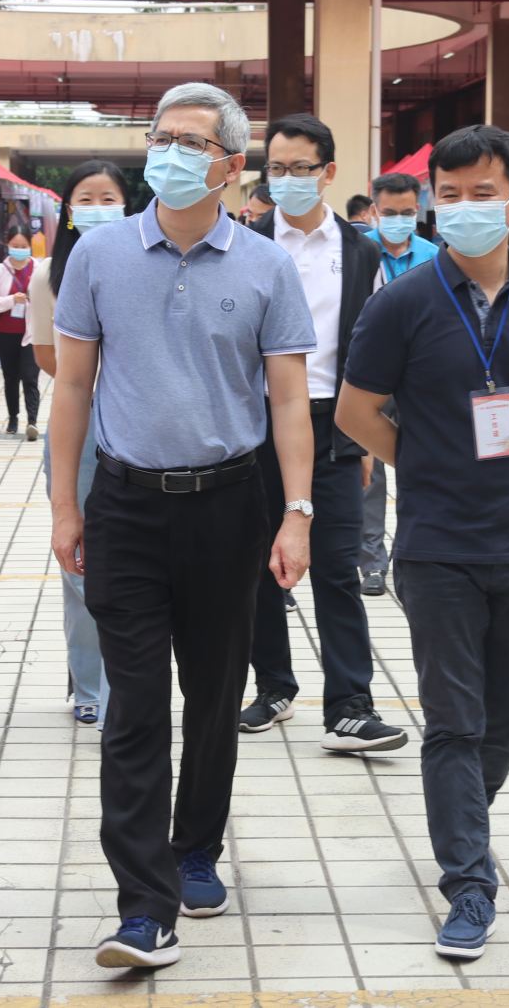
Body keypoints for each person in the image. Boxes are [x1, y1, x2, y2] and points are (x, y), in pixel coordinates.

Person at [49, 82, 314, 971]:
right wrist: (65, 505)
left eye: (191, 142)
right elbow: (73, 387)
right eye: (161, 137)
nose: (168, 152)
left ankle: (196, 846)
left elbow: (288, 402)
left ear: (230, 166)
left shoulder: (267, 266)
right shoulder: (99, 255)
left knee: (212, 694)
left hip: (229, 505)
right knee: (133, 704)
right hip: (125, 505)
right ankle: (143, 904)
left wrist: (298, 514)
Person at [335, 124, 509, 961]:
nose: (465, 207)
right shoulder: (400, 301)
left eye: (483, 193)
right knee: (454, 719)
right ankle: (469, 883)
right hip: (438, 544)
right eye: (450, 195)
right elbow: (355, 411)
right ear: (431, 204)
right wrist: (430, 462)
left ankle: (461, 820)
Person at [239, 113, 406, 753]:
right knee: (257, 566)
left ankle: (350, 705)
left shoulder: (362, 252)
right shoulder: (245, 242)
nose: (287, 179)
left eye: (300, 168)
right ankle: (273, 687)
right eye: (276, 169)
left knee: (337, 567)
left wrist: (364, 438)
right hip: (254, 423)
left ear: (328, 172)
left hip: (333, 424)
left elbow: (375, 350)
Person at [29, 159, 130, 727]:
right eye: (85, 200)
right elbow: (49, 356)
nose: (96, 209)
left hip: (136, 421)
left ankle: (126, 683)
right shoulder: (49, 273)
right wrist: (91, 381)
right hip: (81, 421)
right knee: (80, 559)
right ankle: (89, 683)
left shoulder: (144, 261)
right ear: (67, 211)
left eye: (107, 198)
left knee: (132, 562)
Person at [359, 172, 441, 596]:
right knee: (369, 473)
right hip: (369, 375)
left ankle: (413, 551)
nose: (398, 220)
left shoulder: (434, 254)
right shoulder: (359, 252)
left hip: (419, 375)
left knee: (418, 464)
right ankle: (372, 562)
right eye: (389, 213)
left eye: (407, 213)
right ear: (374, 211)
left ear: (418, 211)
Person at [0, 226, 42, 440]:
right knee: (11, 377)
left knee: (30, 377)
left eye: (23, 246)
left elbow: (50, 297)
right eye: (15, 246)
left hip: (32, 334)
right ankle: (13, 418)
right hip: (6, 334)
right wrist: (11, 300)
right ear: (7, 245)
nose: (19, 249)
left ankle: (32, 421)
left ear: (30, 246)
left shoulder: (39, 269)